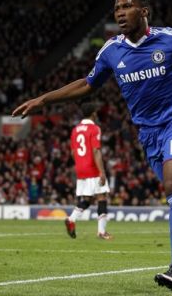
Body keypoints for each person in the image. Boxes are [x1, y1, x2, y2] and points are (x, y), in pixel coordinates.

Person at [12, 0, 172, 293]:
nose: (119, 12)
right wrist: (44, 99)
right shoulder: (110, 51)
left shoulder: (169, 39)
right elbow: (88, 85)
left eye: (127, 6)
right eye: (117, 8)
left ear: (144, 10)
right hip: (149, 135)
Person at [65, 103, 112, 240]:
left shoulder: (75, 130)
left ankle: (71, 219)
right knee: (102, 197)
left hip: (80, 168)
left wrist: (81, 164)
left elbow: (73, 152)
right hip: (92, 167)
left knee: (87, 199)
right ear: (93, 113)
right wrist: (102, 172)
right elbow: (96, 150)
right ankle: (102, 232)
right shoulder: (94, 128)